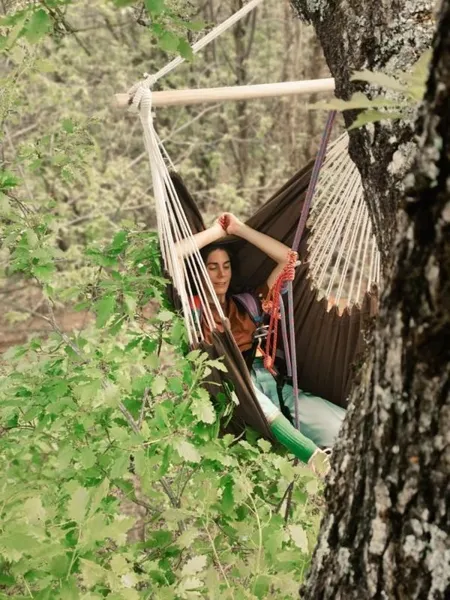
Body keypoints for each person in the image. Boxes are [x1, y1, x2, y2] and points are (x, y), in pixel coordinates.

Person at [177, 212, 345, 471]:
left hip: (268, 382)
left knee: (341, 423)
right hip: (232, 387)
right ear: (201, 270)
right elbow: (174, 255)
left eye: (226, 266)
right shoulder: (193, 310)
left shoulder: (248, 304)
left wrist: (240, 228)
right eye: (212, 267)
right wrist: (216, 233)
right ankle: (314, 458)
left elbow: (289, 258)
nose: (221, 274)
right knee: (256, 398)